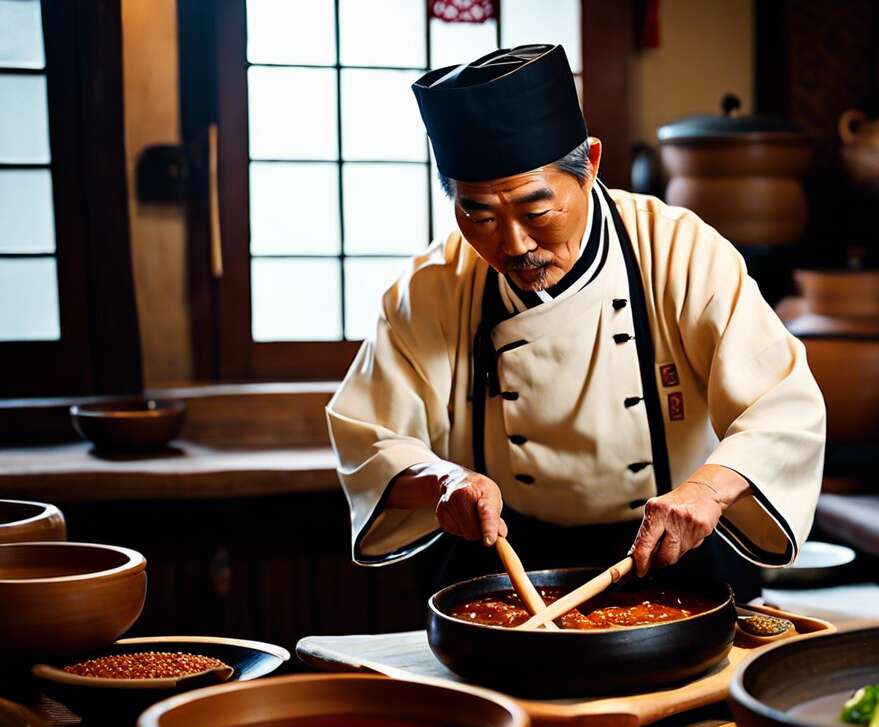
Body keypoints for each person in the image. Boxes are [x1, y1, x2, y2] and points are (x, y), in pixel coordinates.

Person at [327, 44, 825, 598]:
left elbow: (783, 407)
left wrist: (707, 491)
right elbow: (368, 437)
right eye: (479, 214)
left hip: (672, 546)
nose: (513, 243)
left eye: (536, 211)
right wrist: (445, 481)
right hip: (508, 556)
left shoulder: (680, 252)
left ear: (589, 164)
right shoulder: (433, 286)